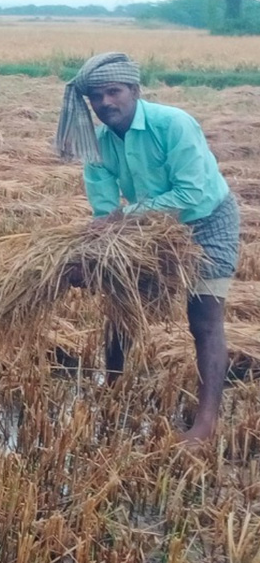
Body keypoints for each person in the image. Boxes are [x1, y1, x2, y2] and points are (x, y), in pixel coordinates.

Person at [55, 51, 239, 444]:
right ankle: (113, 386)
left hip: (205, 221)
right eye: (96, 97)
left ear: (135, 90)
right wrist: (91, 258)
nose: (106, 103)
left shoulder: (173, 124)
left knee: (204, 320)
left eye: (114, 92)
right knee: (120, 304)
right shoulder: (98, 144)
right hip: (145, 227)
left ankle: (205, 425)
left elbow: (191, 192)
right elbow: (105, 211)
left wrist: (125, 217)